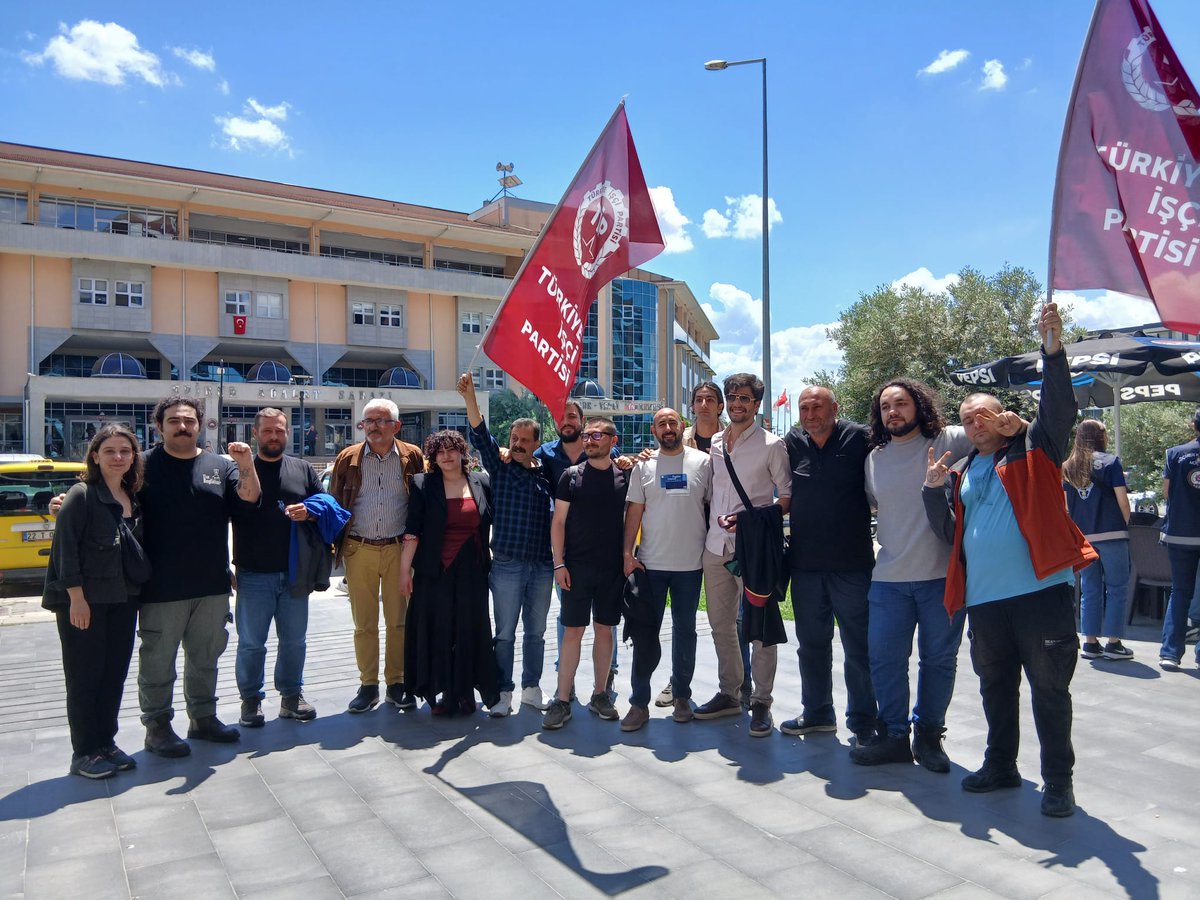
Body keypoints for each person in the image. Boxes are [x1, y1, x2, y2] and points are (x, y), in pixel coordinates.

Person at [924, 302, 1093, 818]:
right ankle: (1001, 765)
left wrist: (1052, 349)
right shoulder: (964, 470)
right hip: (986, 601)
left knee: (1049, 688)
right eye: (966, 419)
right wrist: (933, 492)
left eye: (984, 415)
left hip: (1041, 592)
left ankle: (1058, 781)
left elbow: (1060, 410)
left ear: (1003, 416)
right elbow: (952, 535)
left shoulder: (1033, 447)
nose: (976, 424)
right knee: (996, 686)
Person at [852, 377, 977, 771]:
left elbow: (988, 431)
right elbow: (877, 506)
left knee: (939, 660)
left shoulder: (949, 441)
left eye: (901, 403)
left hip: (942, 577)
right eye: (886, 406)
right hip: (888, 578)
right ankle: (894, 736)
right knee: (885, 660)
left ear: (918, 405)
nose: (893, 411)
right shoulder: (873, 459)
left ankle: (929, 735)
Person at [138, 397, 261, 756]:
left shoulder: (219, 466)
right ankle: (157, 726)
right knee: (158, 661)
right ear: (159, 426)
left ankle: (203, 718)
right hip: (160, 587)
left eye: (189, 420)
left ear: (200, 425)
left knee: (205, 657)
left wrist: (247, 463)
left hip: (211, 584)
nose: (182, 426)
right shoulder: (142, 466)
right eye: (174, 420)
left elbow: (250, 498)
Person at [43, 424, 148, 778]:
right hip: (86, 601)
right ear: (95, 456)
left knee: (113, 675)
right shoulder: (81, 495)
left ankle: (105, 742)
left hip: (124, 599)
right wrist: (76, 598)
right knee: (84, 676)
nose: (118, 458)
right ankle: (84, 751)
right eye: (110, 451)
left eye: (125, 451)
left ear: (134, 456)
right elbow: (65, 551)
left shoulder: (135, 497)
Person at [780, 386, 877, 745]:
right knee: (812, 644)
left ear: (835, 408)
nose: (810, 414)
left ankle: (865, 720)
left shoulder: (860, 438)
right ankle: (818, 712)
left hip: (852, 565)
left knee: (859, 646)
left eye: (817, 407)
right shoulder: (793, 442)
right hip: (805, 565)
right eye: (804, 408)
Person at [696, 373, 791, 738]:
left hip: (753, 549)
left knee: (759, 627)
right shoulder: (717, 442)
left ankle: (762, 701)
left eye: (744, 399)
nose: (737, 404)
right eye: (732, 397)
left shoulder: (772, 445)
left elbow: (786, 497)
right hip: (714, 546)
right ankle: (730, 693)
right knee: (721, 626)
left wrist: (751, 520)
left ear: (756, 404)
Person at [458, 373, 555, 717]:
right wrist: (470, 396)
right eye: (513, 437)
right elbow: (480, 435)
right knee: (505, 634)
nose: (515, 444)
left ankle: (531, 688)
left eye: (523, 440)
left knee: (537, 632)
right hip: (508, 564)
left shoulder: (547, 474)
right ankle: (502, 693)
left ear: (535, 444)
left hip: (543, 566)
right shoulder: (501, 470)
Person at [233, 408, 333, 728]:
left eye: (279, 431)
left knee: (294, 641)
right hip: (253, 572)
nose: (274, 436)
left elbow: (326, 503)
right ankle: (251, 700)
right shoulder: (239, 469)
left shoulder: (302, 468)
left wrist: (311, 511)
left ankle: (291, 696)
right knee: (251, 642)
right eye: (267, 431)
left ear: (288, 433)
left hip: (295, 572)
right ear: (255, 433)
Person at [659, 381, 752, 710]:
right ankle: (678, 682)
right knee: (687, 618)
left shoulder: (732, 439)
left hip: (728, 539)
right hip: (688, 537)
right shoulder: (677, 438)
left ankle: (744, 684)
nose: (703, 404)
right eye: (698, 399)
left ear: (720, 406)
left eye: (710, 399)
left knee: (736, 618)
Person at [329, 399, 424, 713]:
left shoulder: (412, 457)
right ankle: (368, 684)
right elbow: (332, 505)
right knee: (364, 624)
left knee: (398, 622)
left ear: (396, 426)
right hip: (359, 549)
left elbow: (423, 501)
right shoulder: (347, 458)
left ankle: (396, 683)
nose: (373, 426)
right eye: (368, 420)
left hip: (399, 549)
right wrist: (334, 549)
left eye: (381, 420)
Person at [621, 408, 712, 730]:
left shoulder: (703, 463)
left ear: (682, 426)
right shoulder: (643, 465)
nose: (668, 427)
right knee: (645, 635)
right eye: (662, 423)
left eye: (673, 422)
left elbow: (713, 506)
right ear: (654, 430)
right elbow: (634, 512)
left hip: (691, 565)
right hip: (651, 565)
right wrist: (626, 554)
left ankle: (682, 697)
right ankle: (638, 703)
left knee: (686, 633)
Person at [399, 430, 499, 715]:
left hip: (473, 570)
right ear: (432, 456)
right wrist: (405, 571)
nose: (446, 455)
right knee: (440, 631)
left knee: (469, 630)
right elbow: (412, 530)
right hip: (435, 572)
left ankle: (465, 692)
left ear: (461, 452)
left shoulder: (481, 481)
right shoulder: (422, 483)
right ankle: (442, 694)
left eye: (452, 450)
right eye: (440, 451)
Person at [535, 401, 625, 701]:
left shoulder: (627, 477)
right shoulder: (570, 476)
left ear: (613, 441)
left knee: (604, 631)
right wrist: (559, 564)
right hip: (575, 569)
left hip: (612, 571)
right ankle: (562, 698)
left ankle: (601, 694)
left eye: (597, 436)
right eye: (587, 436)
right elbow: (557, 523)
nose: (589, 440)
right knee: (572, 632)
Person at [1062, 419, 1133, 661]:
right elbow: (1123, 501)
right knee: (1117, 588)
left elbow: (1065, 508)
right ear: (1099, 436)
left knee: (1089, 589)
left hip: (1084, 538)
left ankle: (1090, 643)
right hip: (1112, 534)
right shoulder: (1111, 462)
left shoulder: (1068, 466)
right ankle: (1114, 643)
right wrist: (1124, 524)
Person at [1157, 409, 1200, 670]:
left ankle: (1170, 653)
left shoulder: (1175, 453)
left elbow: (1167, 492)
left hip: (1180, 533)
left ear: (1194, 425)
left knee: (1180, 592)